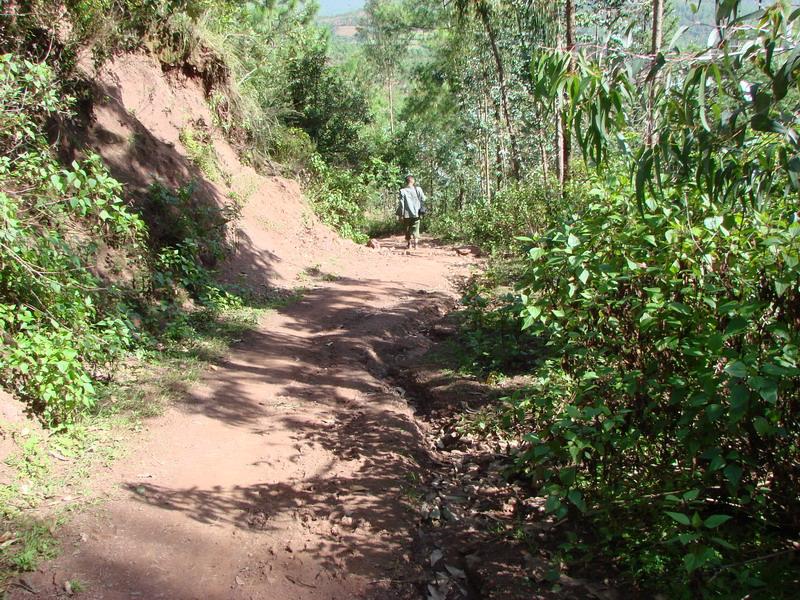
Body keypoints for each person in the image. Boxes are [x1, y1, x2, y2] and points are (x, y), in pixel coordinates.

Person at [396, 174, 426, 249]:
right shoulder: (418, 189)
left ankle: (409, 244)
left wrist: (400, 215)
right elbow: (423, 199)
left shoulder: (402, 191)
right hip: (416, 213)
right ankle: (416, 245)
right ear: (413, 181)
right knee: (416, 228)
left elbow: (402, 204)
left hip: (406, 214)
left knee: (407, 228)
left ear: (406, 182)